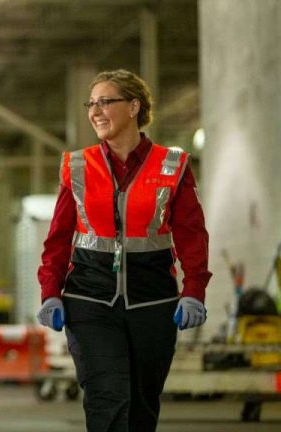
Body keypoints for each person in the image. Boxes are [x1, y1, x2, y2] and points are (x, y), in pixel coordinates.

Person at [36, 69, 211, 432]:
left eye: (105, 102)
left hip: (153, 301)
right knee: (107, 397)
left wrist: (194, 290)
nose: (95, 111)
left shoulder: (172, 165)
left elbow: (192, 235)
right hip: (89, 298)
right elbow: (58, 239)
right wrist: (50, 291)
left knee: (142, 404)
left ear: (134, 107)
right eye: (91, 104)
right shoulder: (78, 165)